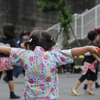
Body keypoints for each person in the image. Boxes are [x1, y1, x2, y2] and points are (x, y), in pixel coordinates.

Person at [0, 29, 98, 100]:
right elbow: (71, 52)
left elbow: (9, 50)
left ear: (29, 45)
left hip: (30, 96)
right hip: (49, 97)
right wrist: (87, 48)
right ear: (50, 46)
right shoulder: (53, 55)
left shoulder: (25, 55)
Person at [71, 30, 100, 96]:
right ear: (95, 36)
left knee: (93, 77)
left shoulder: (93, 44)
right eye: (97, 35)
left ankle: (88, 90)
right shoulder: (92, 44)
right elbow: (92, 52)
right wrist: (98, 58)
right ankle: (74, 89)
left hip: (93, 63)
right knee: (84, 76)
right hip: (88, 63)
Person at [0, 23, 20, 99]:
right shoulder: (12, 40)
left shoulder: (0, 39)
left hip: (0, 60)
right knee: (10, 77)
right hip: (8, 60)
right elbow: (16, 50)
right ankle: (12, 93)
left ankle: (12, 94)